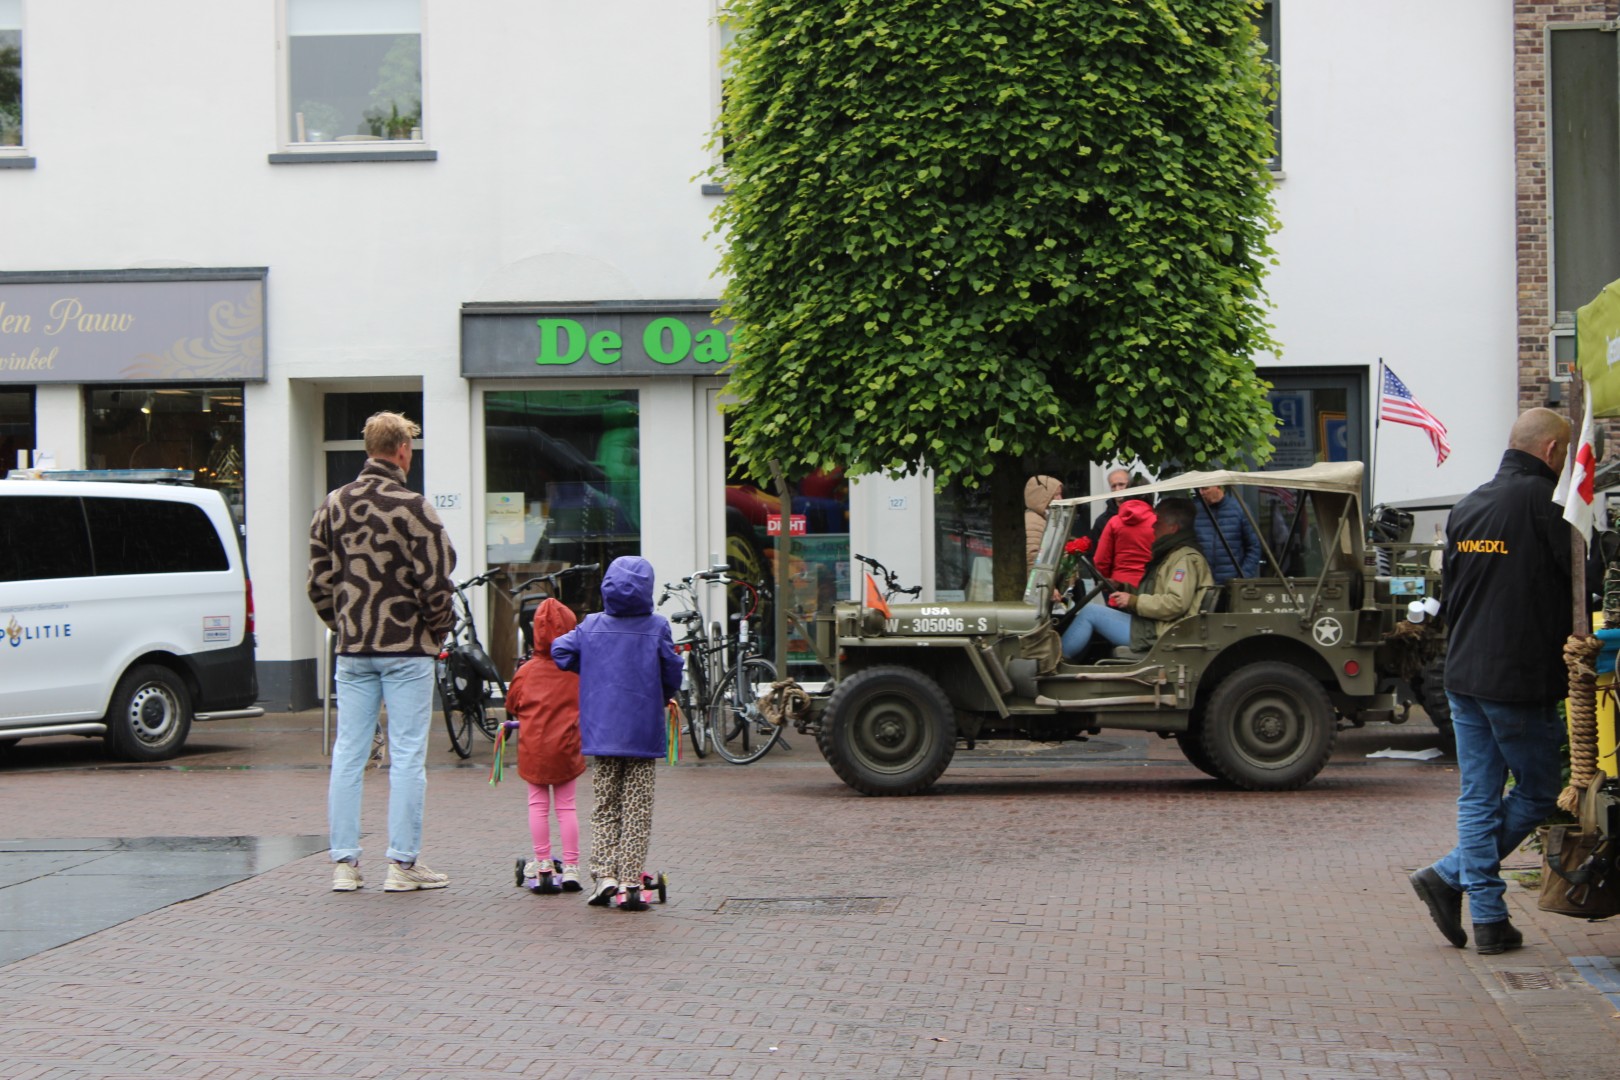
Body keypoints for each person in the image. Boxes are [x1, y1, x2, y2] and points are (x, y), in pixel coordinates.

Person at [1410, 407, 1572, 955]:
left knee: (1478, 797)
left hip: (1464, 672)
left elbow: (1451, 594)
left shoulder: (1469, 505)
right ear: (1551, 451)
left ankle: (1487, 918)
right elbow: (1586, 581)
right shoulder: (1548, 504)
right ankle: (1449, 876)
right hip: (1518, 678)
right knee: (1539, 790)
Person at [308, 411, 457, 893]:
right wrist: (438, 631)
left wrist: (344, 625)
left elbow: (318, 581)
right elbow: (437, 579)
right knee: (408, 755)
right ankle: (402, 864)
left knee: (349, 754)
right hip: (407, 648)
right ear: (402, 451)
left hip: (354, 649)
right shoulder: (415, 508)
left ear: (368, 449)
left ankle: (344, 864)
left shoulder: (334, 504)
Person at [552, 556, 683, 911]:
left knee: (605, 805)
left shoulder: (592, 624)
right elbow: (672, 669)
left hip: (603, 731)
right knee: (637, 808)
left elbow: (559, 650)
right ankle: (630, 880)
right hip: (642, 731)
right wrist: (664, 693)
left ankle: (604, 875)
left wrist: (591, 669)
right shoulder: (657, 626)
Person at [1061, 497, 1213, 662]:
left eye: (1158, 522)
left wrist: (1134, 601)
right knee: (1092, 615)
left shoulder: (1185, 559)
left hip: (1164, 632)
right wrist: (1123, 587)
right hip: (1156, 625)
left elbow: (1175, 603)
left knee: (1090, 613)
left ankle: (1057, 662)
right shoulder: (1172, 555)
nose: (1153, 526)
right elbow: (1157, 591)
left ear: (1173, 528)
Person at [506, 597, 586, 892]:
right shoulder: (577, 670)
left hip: (534, 749)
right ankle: (572, 866)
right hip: (566, 747)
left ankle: (543, 863)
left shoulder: (526, 671)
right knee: (567, 806)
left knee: (538, 805)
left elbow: (513, 704)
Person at [1194, 484, 1262, 584]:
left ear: (1218, 487)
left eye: (1205, 488)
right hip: (1203, 582)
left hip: (1232, 583)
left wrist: (1243, 577)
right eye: (1199, 488)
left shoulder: (1239, 509)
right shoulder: (1196, 510)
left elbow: (1254, 547)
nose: (1201, 492)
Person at [1093, 479, 1156, 588]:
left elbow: (1100, 560)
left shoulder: (1114, 522)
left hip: (1119, 585)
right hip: (1150, 586)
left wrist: (1110, 580)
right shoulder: (1158, 522)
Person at [1025, 475, 1064, 572]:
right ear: (1042, 497)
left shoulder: (1044, 518)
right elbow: (1031, 558)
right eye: (1056, 495)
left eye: (1060, 494)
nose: (1060, 499)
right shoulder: (1033, 522)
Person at [1087, 467, 1133, 547]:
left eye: (1121, 484)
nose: (1117, 489)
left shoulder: (1142, 514)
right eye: (1113, 486)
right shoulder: (1102, 521)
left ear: (1131, 485)